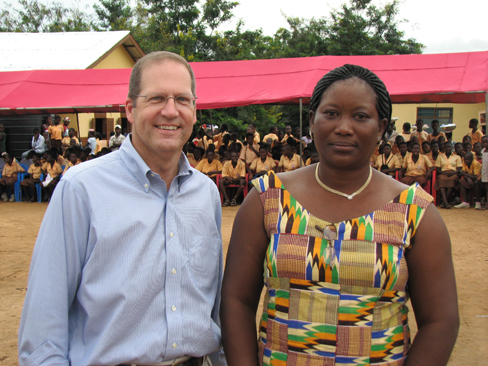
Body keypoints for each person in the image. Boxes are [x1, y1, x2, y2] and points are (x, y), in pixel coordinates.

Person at [221, 64, 458, 366]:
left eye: (361, 116)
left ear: (381, 126)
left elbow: (441, 320)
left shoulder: (415, 211)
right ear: (312, 120)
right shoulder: (266, 198)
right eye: (331, 113)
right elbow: (236, 302)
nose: (344, 127)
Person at [18, 51, 225, 366]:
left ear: (194, 111)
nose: (171, 111)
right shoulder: (82, 189)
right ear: (130, 108)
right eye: (157, 98)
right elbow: (43, 328)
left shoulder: (206, 194)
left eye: (182, 100)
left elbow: (213, 307)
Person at [435, 142, 462, 209]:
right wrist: (443, 173)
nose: (448, 148)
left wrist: (453, 173)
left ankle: (444, 201)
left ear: (452, 148)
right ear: (444, 148)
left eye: (449, 147)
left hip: (453, 173)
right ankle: (446, 202)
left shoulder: (457, 157)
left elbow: (459, 169)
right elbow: (438, 169)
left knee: (452, 179)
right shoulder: (440, 156)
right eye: (446, 147)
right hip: (443, 173)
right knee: (441, 179)